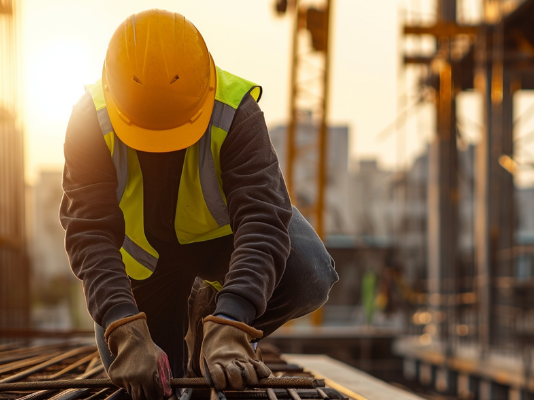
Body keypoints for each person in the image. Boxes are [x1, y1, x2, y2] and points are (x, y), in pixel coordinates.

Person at [59, 9, 337, 399]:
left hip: (221, 243)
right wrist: (122, 323)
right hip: (147, 266)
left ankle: (213, 318)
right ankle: (180, 330)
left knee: (309, 273)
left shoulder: (235, 112)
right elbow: (89, 232)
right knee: (150, 384)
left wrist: (233, 320)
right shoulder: (90, 119)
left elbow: (262, 218)